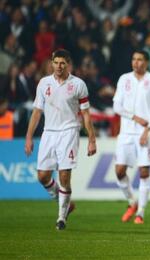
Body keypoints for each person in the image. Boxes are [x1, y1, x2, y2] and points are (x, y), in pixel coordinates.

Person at [24, 49, 97, 230]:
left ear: (68, 64)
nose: (59, 66)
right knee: (42, 176)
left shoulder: (78, 84)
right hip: (49, 132)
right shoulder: (43, 83)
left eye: (62, 63)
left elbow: (86, 114)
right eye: (55, 62)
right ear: (51, 63)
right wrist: (29, 137)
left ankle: (61, 218)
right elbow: (37, 112)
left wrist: (92, 139)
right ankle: (65, 203)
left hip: (69, 131)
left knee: (64, 174)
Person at [113, 50, 150, 224]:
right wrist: (134, 118)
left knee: (144, 171)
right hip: (126, 132)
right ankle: (131, 202)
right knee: (119, 171)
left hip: (145, 132)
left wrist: (147, 128)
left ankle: (140, 213)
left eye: (140, 60)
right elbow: (117, 106)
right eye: (134, 59)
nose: (136, 63)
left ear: (147, 62)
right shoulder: (124, 79)